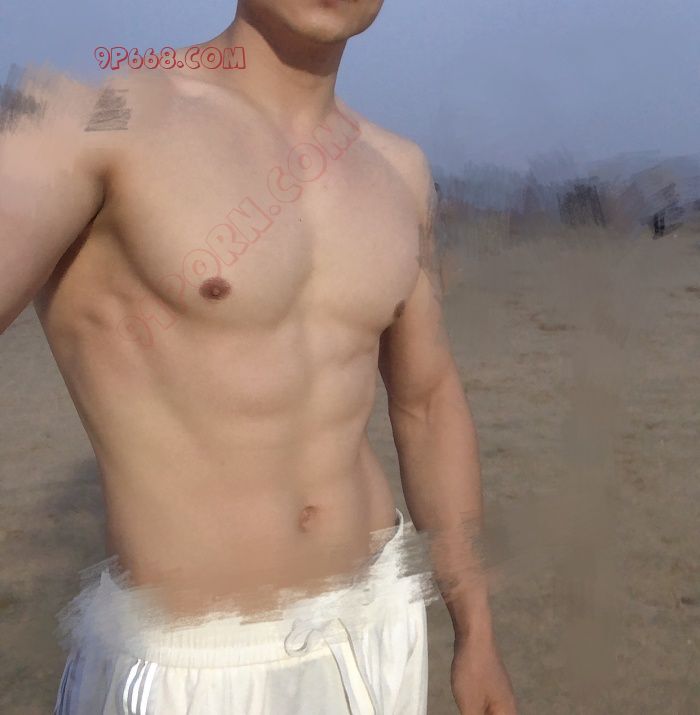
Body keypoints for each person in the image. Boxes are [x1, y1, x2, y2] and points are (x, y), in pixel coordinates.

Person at [0, 1, 517, 713]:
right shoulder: (95, 115)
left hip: (379, 624)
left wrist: (477, 631)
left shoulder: (399, 169)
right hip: (197, 665)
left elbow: (427, 402)